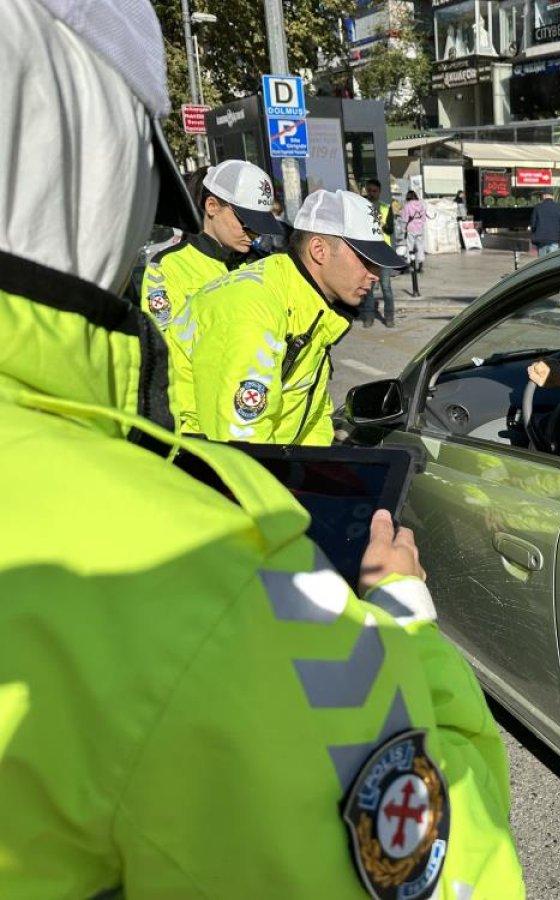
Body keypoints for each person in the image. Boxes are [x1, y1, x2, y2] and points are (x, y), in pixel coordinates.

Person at [0, 2, 524, 899]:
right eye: (362, 258)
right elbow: (446, 876)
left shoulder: (306, 314)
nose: (375, 273)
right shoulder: (209, 575)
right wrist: (399, 616)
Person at [187, 189, 404, 445]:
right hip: (199, 462)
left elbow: (311, 411)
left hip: (278, 460)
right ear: (319, 250)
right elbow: (240, 442)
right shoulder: (253, 307)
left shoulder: (312, 306)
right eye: (365, 261)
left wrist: (321, 462)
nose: (375, 274)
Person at [141, 159, 283, 428]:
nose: (253, 234)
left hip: (251, 416)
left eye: (259, 225)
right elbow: (166, 357)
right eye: (245, 222)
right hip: (196, 423)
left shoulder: (261, 264)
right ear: (212, 206)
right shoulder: (169, 266)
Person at [360, 178, 397, 328]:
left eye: (374, 191)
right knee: (368, 288)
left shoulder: (386, 208)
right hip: (369, 254)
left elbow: (390, 230)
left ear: (379, 192)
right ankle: (369, 317)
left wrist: (381, 222)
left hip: (384, 254)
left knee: (386, 288)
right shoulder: (362, 207)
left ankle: (389, 317)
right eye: (369, 190)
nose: (371, 193)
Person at [529, 190, 560, 257]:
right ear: (552, 196)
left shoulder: (538, 207)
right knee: (553, 261)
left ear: (544, 196)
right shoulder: (558, 207)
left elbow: (533, 224)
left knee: (543, 261)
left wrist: (533, 232)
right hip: (554, 239)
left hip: (541, 240)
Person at [401, 189, 427, 274]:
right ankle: (420, 266)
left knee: (410, 247)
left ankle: (411, 265)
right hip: (420, 228)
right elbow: (423, 218)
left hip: (411, 227)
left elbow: (405, 218)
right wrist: (420, 223)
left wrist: (404, 228)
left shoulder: (407, 205)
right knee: (420, 247)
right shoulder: (421, 204)